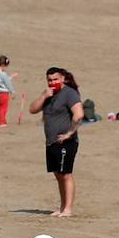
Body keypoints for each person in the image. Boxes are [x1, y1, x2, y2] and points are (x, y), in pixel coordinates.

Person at [29, 67, 84, 218]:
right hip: (51, 142)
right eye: (50, 80)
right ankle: (62, 207)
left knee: (65, 174)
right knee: (58, 175)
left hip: (66, 142)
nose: (53, 82)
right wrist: (44, 96)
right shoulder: (48, 94)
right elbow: (32, 110)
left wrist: (69, 133)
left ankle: (68, 209)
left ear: (63, 79)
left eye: (56, 79)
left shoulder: (70, 93)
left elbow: (78, 115)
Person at [0, 55, 16, 126]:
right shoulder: (3, 74)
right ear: (3, 65)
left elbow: (3, 81)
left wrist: (11, 76)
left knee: (1, 108)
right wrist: (13, 91)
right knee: (4, 108)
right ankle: (2, 122)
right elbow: (7, 83)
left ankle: (3, 121)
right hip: (4, 93)